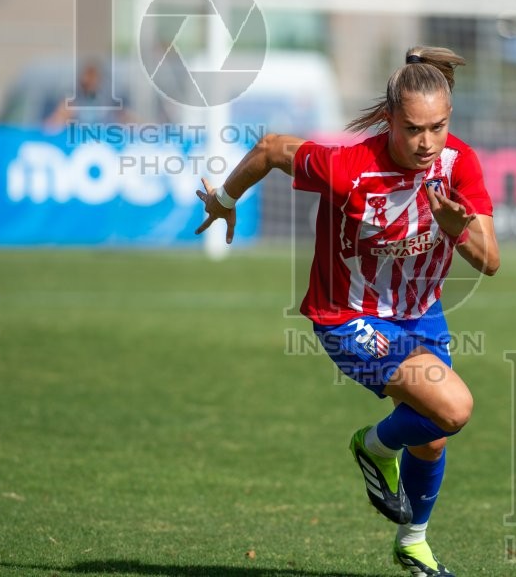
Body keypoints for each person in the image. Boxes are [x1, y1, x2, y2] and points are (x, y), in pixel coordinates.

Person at [195, 45, 499, 577]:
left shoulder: (460, 164)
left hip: (421, 312)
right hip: (348, 317)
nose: (427, 142)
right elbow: (269, 149)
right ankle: (373, 446)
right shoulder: (346, 167)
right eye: (412, 129)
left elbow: (490, 260)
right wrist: (225, 196)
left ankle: (414, 542)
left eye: (438, 127)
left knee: (429, 437)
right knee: (453, 409)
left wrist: (457, 228)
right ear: (389, 120)